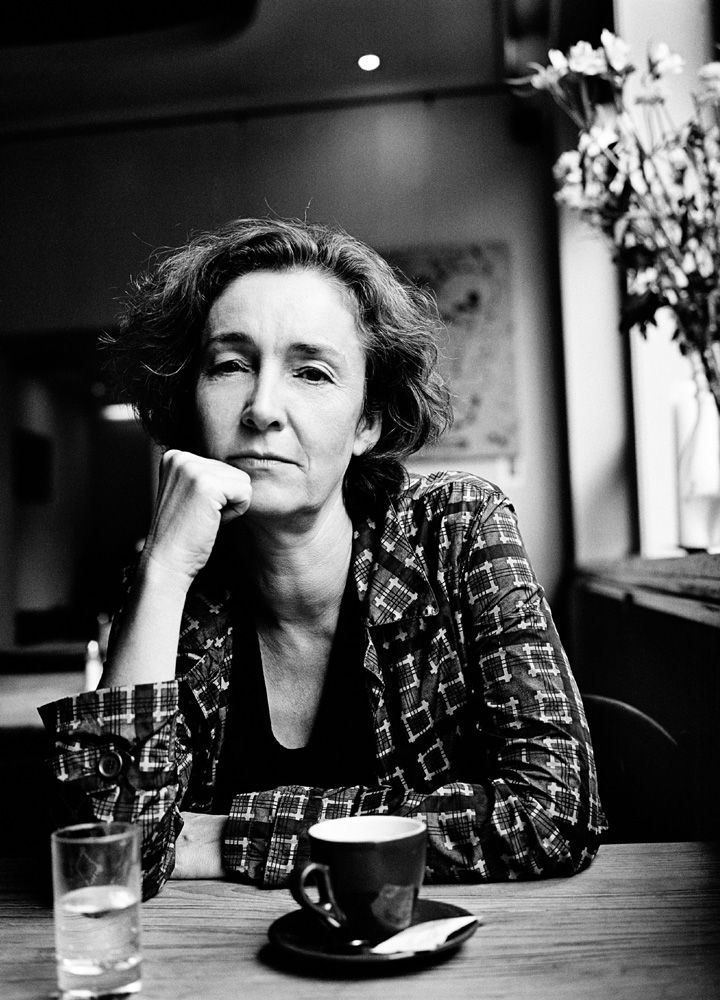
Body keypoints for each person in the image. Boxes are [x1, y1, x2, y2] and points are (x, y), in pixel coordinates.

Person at [39, 217, 606, 901]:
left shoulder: (455, 530)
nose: (262, 409)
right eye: (230, 365)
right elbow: (108, 857)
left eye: (311, 372)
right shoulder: (172, 578)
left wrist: (227, 836)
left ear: (367, 421)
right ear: (191, 400)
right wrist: (163, 570)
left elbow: (553, 812)